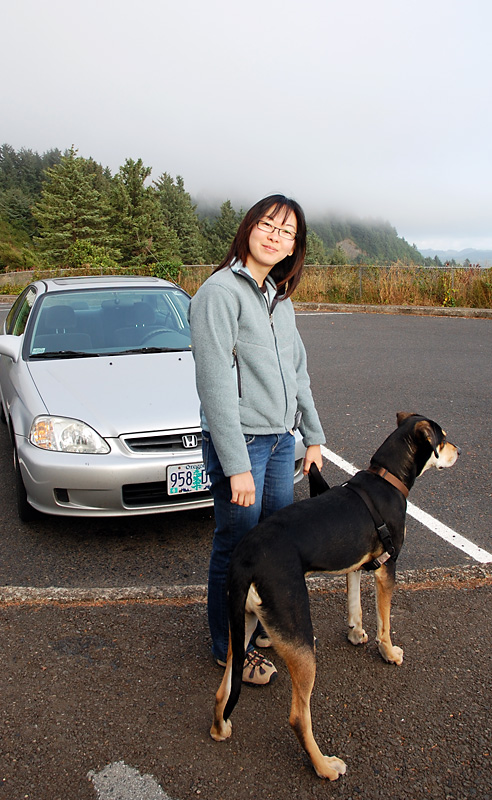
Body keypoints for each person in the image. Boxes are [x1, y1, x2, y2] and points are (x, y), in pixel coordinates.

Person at [189, 194, 325, 685]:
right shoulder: (219, 293)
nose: (276, 236)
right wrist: (235, 464)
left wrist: (312, 435)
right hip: (241, 444)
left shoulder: (277, 299)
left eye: (287, 232)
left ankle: (258, 622)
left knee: (273, 541)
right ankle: (229, 648)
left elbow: (298, 372)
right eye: (269, 224)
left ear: (294, 248)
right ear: (249, 228)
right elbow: (215, 383)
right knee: (236, 544)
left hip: (278, 441)